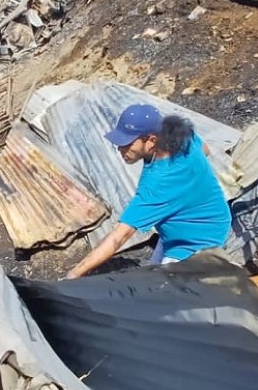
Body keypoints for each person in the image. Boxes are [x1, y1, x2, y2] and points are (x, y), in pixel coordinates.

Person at [66, 104, 230, 279]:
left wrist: (74, 274)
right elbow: (204, 149)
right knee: (151, 271)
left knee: (161, 292)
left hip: (197, 243)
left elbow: (119, 237)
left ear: (151, 140)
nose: (120, 150)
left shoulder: (158, 183)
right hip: (215, 219)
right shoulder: (182, 137)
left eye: (127, 144)